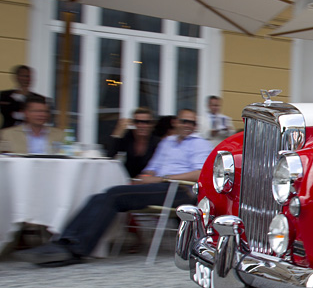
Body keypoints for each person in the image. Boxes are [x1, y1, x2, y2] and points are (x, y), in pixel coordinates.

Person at [13, 108, 212, 267]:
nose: (188, 126)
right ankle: (64, 243)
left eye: (192, 122)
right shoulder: (167, 142)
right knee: (102, 195)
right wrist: (146, 177)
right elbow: (153, 167)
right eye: (184, 121)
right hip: (160, 185)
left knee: (114, 195)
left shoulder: (199, 143)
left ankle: (76, 248)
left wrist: (162, 178)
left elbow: (200, 173)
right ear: (175, 122)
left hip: (180, 190)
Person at [105, 107, 160, 177]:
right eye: (137, 122)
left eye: (146, 122)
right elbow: (109, 156)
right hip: (127, 178)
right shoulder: (127, 137)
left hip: (148, 180)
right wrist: (118, 132)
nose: (141, 126)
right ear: (133, 123)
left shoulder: (157, 141)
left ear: (152, 124)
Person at [1, 65, 46, 130]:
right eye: (23, 76)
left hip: (31, 134)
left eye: (28, 76)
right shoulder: (4, 96)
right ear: (16, 77)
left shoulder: (38, 99)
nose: (26, 79)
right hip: (8, 133)